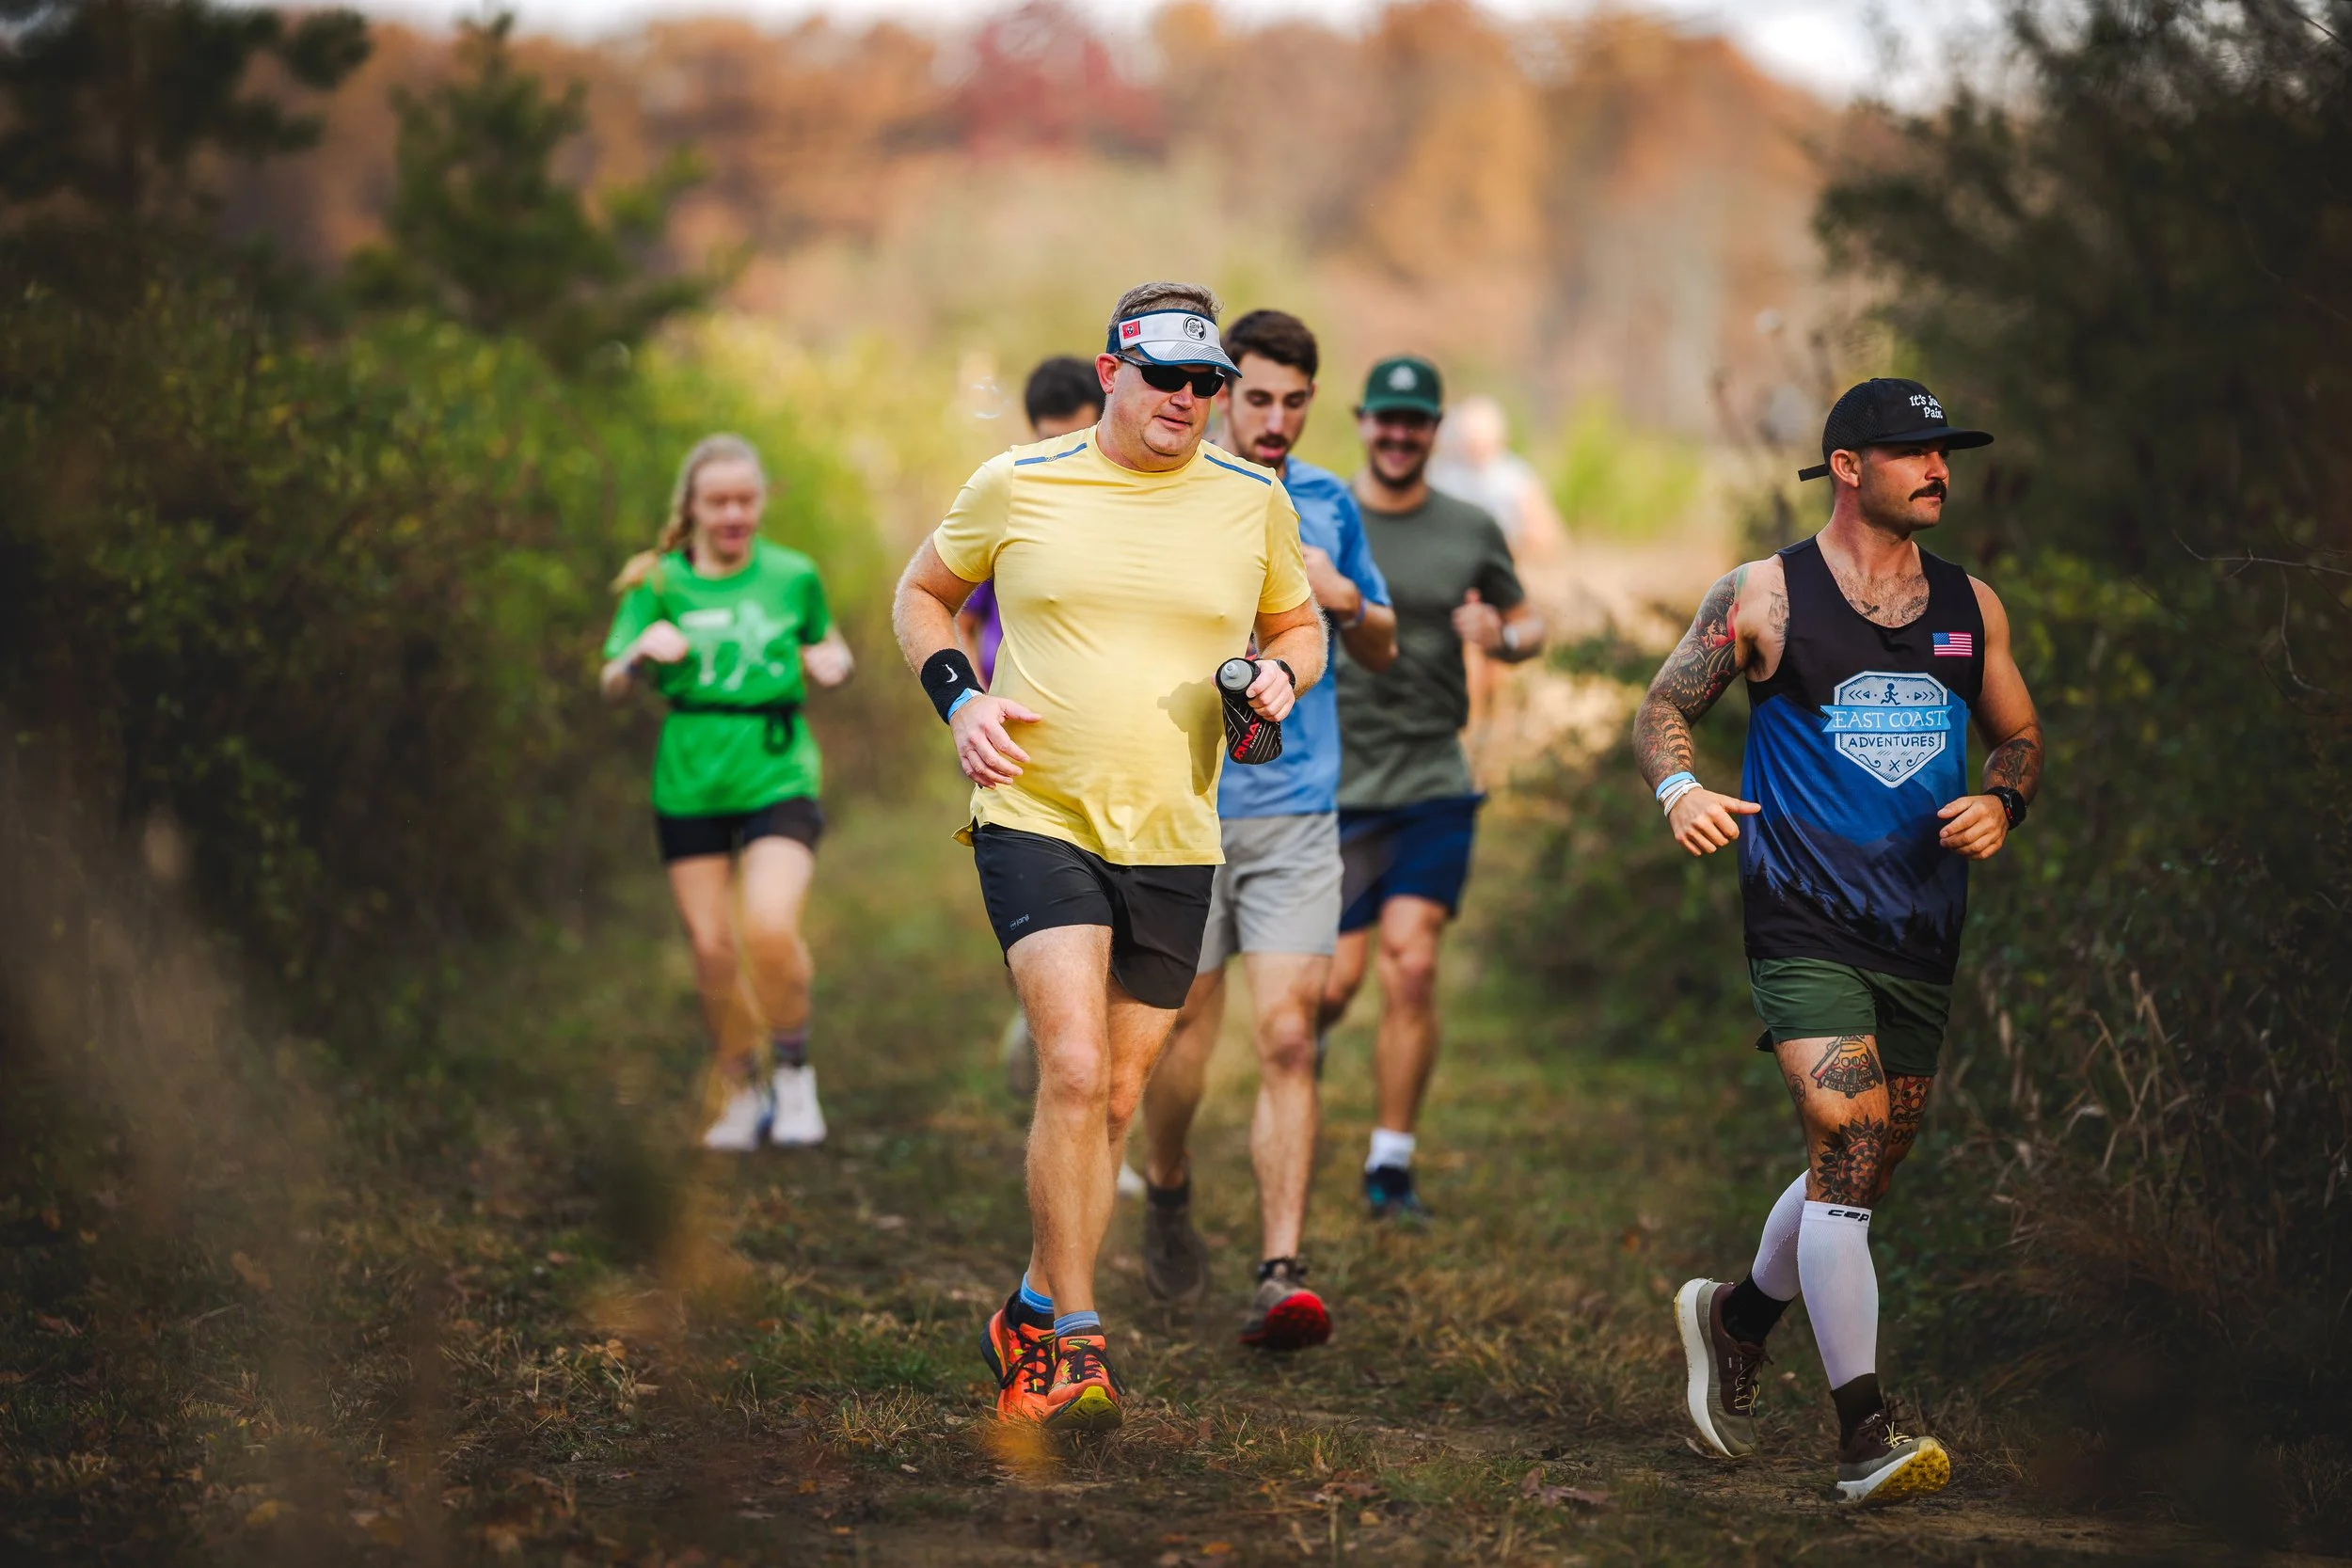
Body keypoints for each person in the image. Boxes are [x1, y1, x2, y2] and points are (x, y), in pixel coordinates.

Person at [891, 282, 1325, 1433]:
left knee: (1120, 1094)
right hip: (1034, 810)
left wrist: (1284, 674)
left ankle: (1030, 1300)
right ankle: (1070, 1346)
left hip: (1175, 831)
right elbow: (923, 593)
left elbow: (1297, 623)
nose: (1187, 399)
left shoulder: (1252, 497)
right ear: (1109, 373)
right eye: (1166, 377)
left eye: (1205, 384)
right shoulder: (1018, 482)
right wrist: (959, 701)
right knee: (1074, 1067)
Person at [1637, 378, 2042, 1505]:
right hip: (1801, 914)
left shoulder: (1973, 604)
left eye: (1945, 453)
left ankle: (1736, 1314)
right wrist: (1680, 787)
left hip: (1920, 924)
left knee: (1860, 1165)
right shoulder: (1763, 594)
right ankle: (1864, 1431)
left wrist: (2003, 802)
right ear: (1849, 466)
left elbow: (2017, 734)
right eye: (1916, 452)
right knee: (1844, 1127)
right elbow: (1662, 706)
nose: (1940, 470)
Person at [1135, 309, 1398, 1348]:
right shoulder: (1167, 495)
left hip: (1295, 809)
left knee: (1289, 1035)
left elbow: (1379, 644)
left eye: (1294, 401)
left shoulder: (1330, 503)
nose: (1275, 418)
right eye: (1255, 397)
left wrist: (1342, 601)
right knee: (1180, 1036)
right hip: (1183, 805)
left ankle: (1279, 1269)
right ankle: (1166, 1184)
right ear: (1217, 392)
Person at [1318, 356, 1544, 1220]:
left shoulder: (1471, 523)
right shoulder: (1319, 513)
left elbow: (1529, 621)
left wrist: (1503, 635)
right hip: (1339, 785)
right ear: (1363, 421)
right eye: (1386, 418)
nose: (1401, 434)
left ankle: (1390, 1162)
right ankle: (1315, 1043)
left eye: (1417, 420)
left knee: (1411, 966)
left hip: (1433, 779)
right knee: (1336, 983)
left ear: (1435, 429)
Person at [600, 435, 856, 1150]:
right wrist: (636, 655)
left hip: (777, 769)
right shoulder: (654, 582)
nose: (735, 513)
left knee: (768, 925)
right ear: (692, 507)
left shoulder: (793, 574)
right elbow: (609, 683)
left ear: (762, 499)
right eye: (718, 501)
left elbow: (828, 645)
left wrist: (834, 661)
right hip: (690, 779)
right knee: (712, 949)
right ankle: (741, 1089)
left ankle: (796, 1073)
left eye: (746, 498)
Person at [960, 356, 1106, 1109]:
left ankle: (1077, 1039)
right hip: (1011, 744)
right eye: (1048, 437)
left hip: (1102, 747)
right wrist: (968, 701)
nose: (1062, 450)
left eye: (1074, 435)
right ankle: (1039, 1004)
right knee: (1026, 894)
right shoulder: (1015, 498)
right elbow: (958, 604)